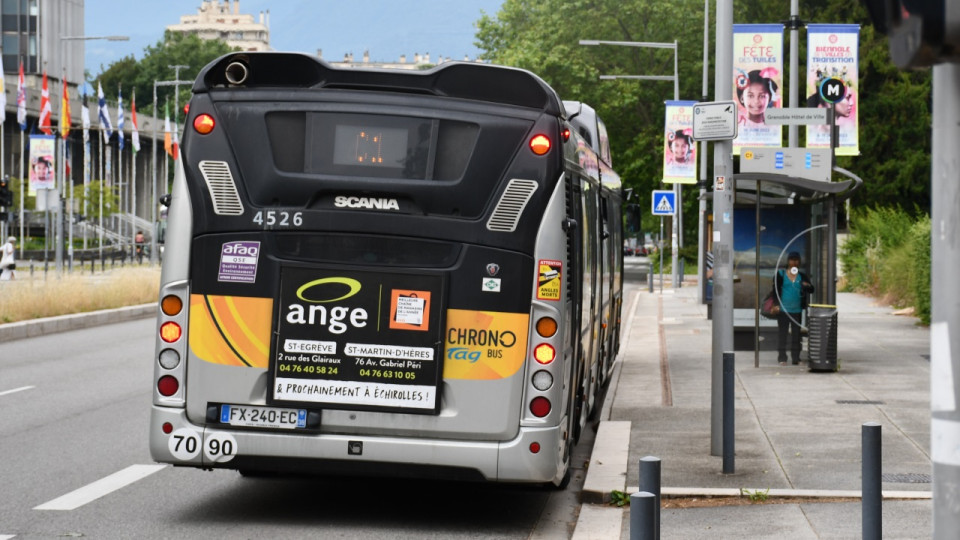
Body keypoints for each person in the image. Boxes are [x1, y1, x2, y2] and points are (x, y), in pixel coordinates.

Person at [774, 251, 814, 365]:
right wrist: (776, 304)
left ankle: (796, 358)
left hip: (796, 310)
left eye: (796, 260)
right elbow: (775, 291)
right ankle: (782, 358)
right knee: (783, 334)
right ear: (788, 261)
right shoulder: (780, 275)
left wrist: (807, 285)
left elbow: (812, 289)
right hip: (783, 310)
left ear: (799, 262)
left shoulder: (802, 276)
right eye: (792, 259)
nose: (794, 262)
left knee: (797, 335)